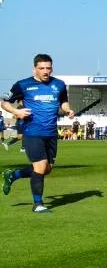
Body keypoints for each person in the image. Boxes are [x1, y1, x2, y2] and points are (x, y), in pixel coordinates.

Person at [2, 54, 75, 212]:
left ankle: (13, 175)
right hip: (32, 132)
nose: (45, 71)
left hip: (51, 134)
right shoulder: (23, 85)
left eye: (48, 68)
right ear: (34, 69)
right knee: (40, 167)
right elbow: (4, 102)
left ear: (52, 68)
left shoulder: (59, 84)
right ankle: (38, 204)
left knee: (46, 169)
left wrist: (68, 110)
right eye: (41, 68)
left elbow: (63, 101)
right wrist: (16, 111)